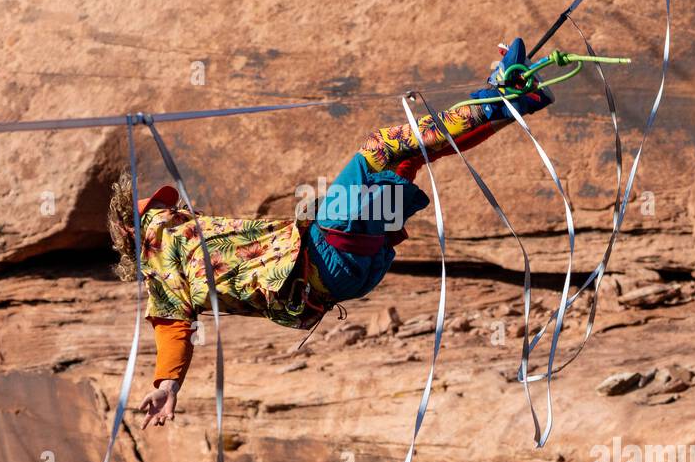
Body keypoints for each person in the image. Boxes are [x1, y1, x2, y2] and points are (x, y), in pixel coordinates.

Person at [108, 38, 555, 430]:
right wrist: (168, 385)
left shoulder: (184, 252)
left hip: (347, 273)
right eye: (161, 207)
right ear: (137, 226)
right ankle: (504, 95)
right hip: (322, 253)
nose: (175, 207)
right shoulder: (160, 255)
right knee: (375, 151)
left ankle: (512, 100)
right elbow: (171, 329)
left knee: (406, 161)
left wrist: (171, 385)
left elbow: (174, 324)